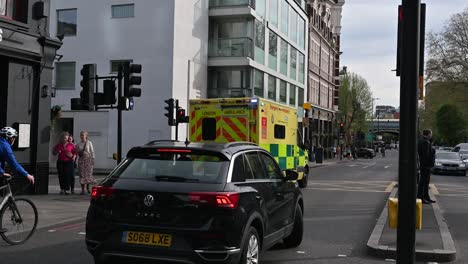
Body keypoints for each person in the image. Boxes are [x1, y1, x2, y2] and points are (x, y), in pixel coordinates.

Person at [0, 127, 34, 233]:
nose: (14, 140)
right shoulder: (5, 146)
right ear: (9, 138)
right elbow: (14, 164)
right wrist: (27, 175)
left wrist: (1, 172)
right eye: (13, 138)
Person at [417, 129, 436, 204]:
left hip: (424, 165)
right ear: (428, 134)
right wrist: (427, 165)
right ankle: (422, 197)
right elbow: (426, 155)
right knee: (424, 182)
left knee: (425, 182)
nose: (431, 135)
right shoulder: (425, 142)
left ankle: (426, 197)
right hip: (426, 165)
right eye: (431, 134)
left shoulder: (422, 141)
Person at [76, 131, 96, 195]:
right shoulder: (78, 144)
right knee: (82, 175)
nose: (82, 136)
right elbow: (77, 152)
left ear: (86, 136)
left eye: (83, 135)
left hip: (88, 160)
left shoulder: (89, 143)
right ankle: (82, 190)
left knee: (88, 175)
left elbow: (92, 151)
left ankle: (88, 188)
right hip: (81, 160)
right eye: (81, 135)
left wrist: (93, 159)